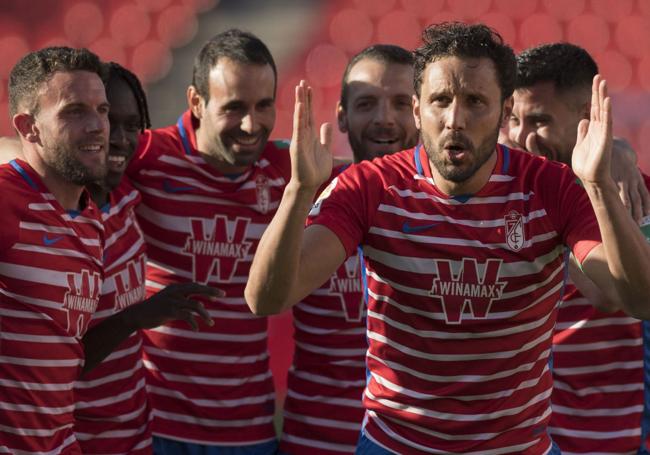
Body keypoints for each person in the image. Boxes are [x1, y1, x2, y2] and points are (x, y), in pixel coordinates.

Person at [245, 22, 650, 454]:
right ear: (418, 110)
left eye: (475, 101)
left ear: (502, 109)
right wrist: (298, 191)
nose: (455, 120)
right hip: (395, 444)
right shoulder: (373, 187)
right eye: (441, 100)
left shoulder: (551, 188)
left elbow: (636, 300)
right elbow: (266, 299)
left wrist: (601, 186)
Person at [125, 29, 291, 453]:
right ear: (196, 102)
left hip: (250, 429)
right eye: (234, 107)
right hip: (157, 425)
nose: (252, 124)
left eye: (264, 105)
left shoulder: (285, 171)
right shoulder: (146, 157)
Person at [509, 42, 650, 454]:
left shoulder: (636, 193)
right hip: (521, 437)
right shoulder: (498, 194)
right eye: (512, 119)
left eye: (538, 120)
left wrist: (595, 176)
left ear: (588, 119)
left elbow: (614, 296)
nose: (521, 136)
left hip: (610, 437)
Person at [74, 62, 219, 454]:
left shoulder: (126, 200)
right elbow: (56, 366)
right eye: (109, 122)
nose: (121, 139)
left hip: (137, 433)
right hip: (78, 441)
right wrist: (138, 317)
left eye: (133, 125)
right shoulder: (55, 223)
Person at [279, 44, 418, 455]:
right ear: (341, 115)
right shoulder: (301, 186)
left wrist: (620, 155)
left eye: (401, 103)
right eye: (366, 103)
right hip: (314, 442)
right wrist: (300, 188)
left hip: (406, 443)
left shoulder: (459, 205)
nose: (384, 118)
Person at [0, 46, 109, 454]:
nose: (97, 125)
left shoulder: (91, 218)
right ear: (29, 127)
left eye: (102, 109)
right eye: (74, 111)